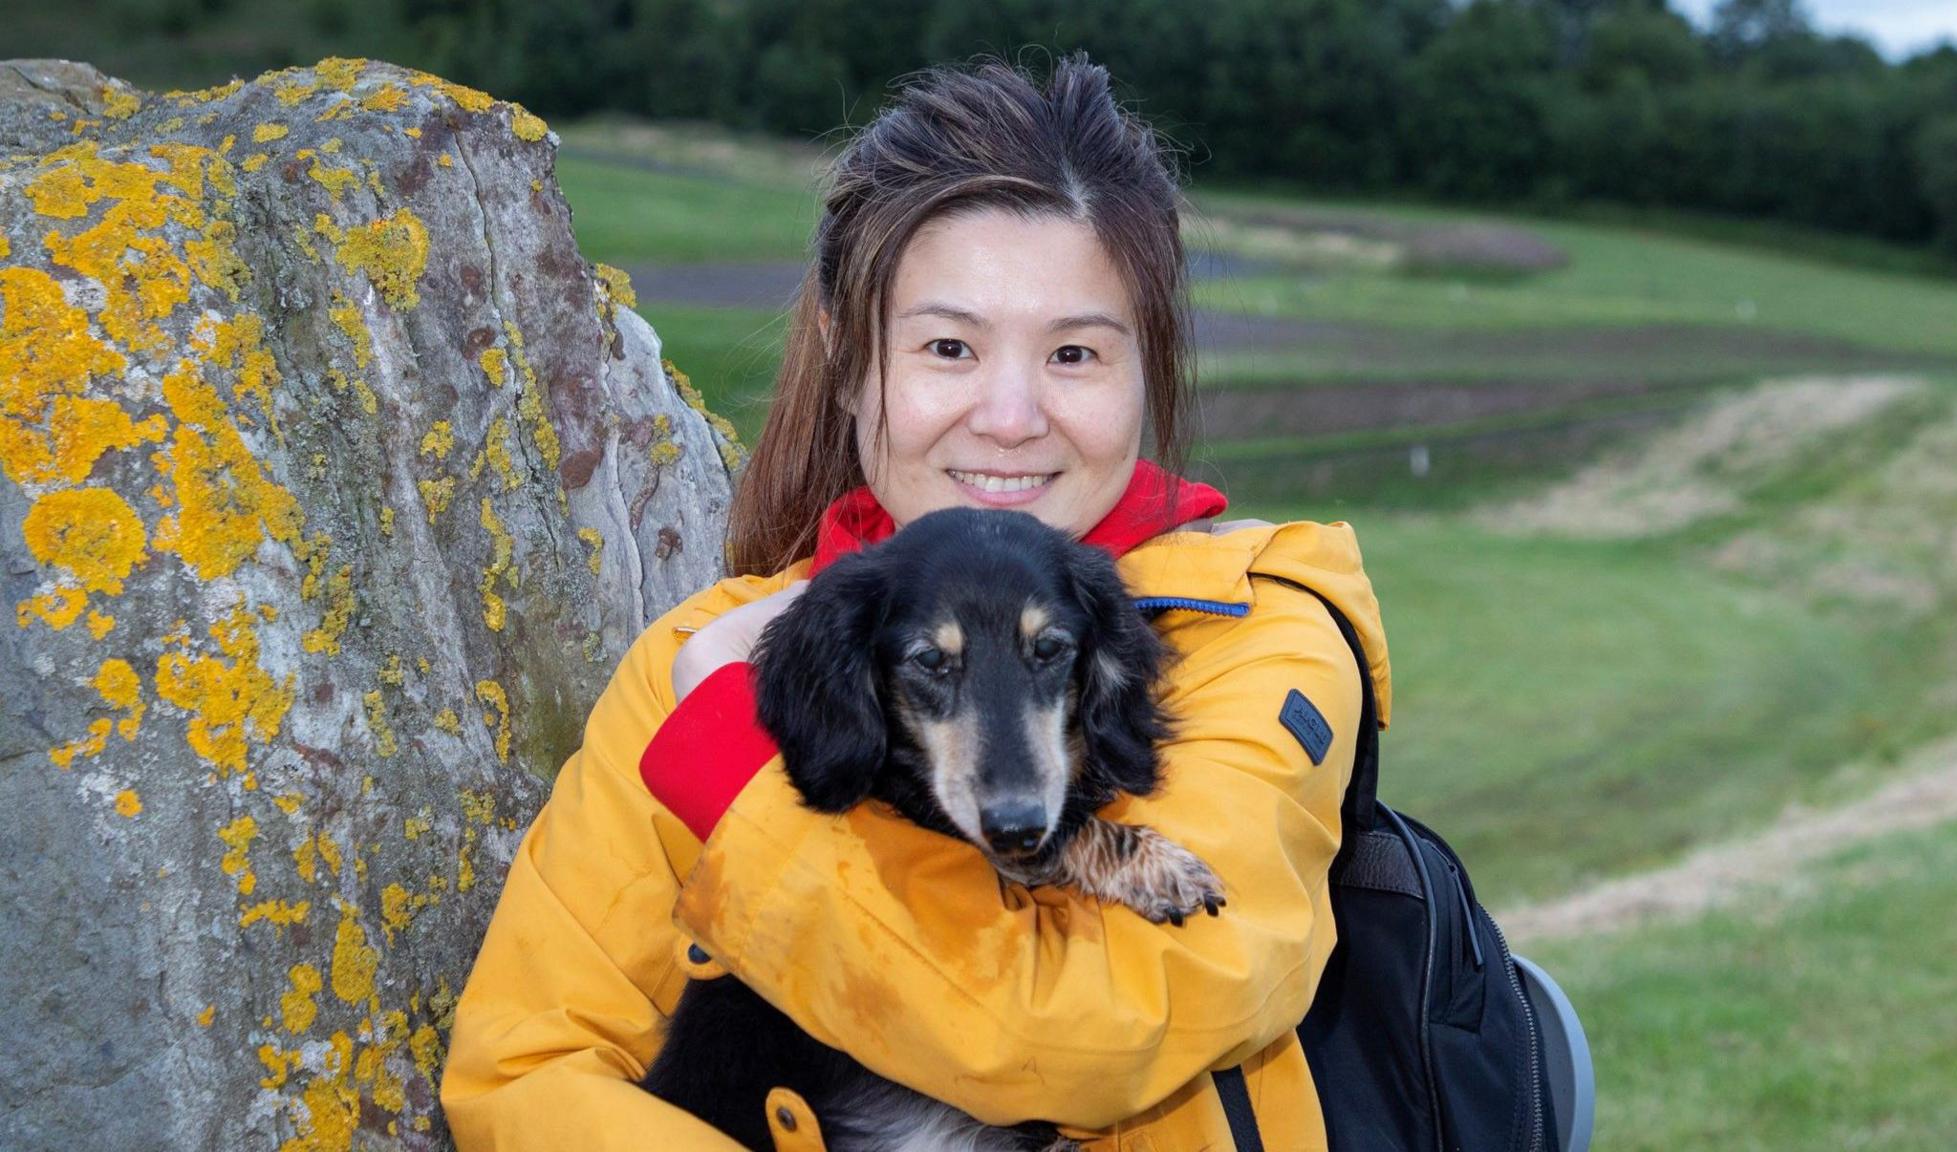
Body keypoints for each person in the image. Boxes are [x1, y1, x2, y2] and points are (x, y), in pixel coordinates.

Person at [441, 52, 1391, 1150]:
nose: (1006, 415)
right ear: (851, 367)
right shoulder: (696, 663)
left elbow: (1089, 1032)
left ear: (1149, 372)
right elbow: (525, 1069)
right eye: (948, 347)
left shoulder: (1254, 637)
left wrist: (732, 772)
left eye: (1074, 353)